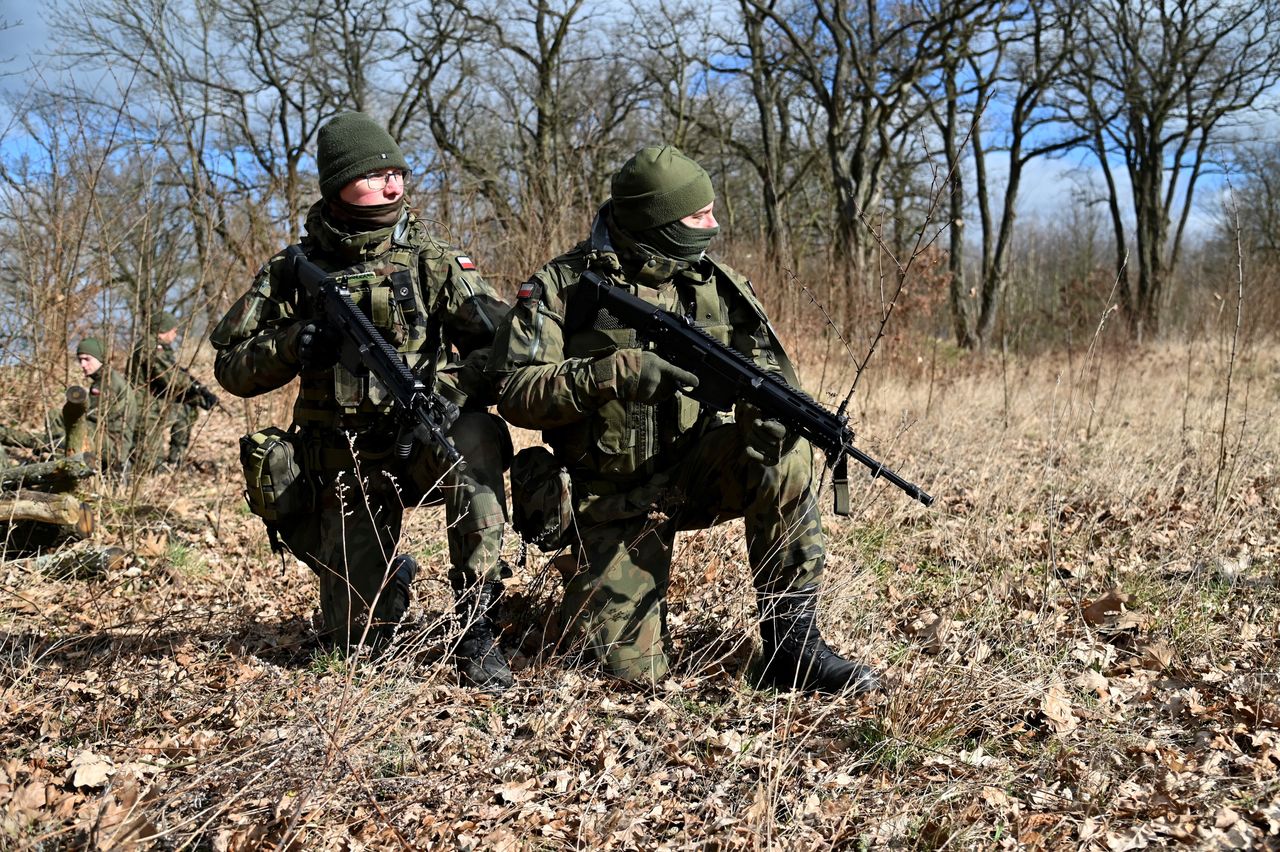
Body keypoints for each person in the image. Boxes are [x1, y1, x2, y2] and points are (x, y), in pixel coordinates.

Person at [490, 145, 881, 694]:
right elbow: (514, 391)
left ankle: (792, 647)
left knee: (785, 455)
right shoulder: (562, 287)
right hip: (608, 498)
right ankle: (588, 590)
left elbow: (773, 377)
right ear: (656, 219)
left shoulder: (715, 287)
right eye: (699, 216)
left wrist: (765, 419)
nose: (713, 225)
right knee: (626, 677)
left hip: (695, 471)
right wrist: (613, 373)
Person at [209, 111, 514, 690]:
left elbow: (499, 348)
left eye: (397, 171)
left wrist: (450, 388)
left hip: (421, 444)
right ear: (338, 185)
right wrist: (295, 343)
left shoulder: (432, 259)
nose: (393, 185)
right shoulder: (291, 271)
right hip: (342, 465)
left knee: (473, 439)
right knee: (355, 645)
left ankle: (476, 626)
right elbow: (231, 366)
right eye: (375, 175)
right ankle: (389, 581)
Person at [129, 312, 214, 468]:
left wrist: (198, 397)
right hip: (144, 408)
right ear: (163, 330)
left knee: (186, 410)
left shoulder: (156, 347)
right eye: (174, 331)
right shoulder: (149, 347)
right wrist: (195, 388)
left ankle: (176, 460)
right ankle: (161, 467)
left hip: (154, 403)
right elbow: (171, 379)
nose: (176, 335)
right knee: (151, 467)